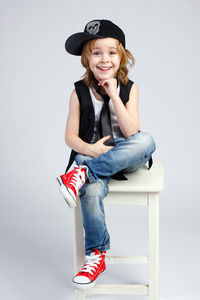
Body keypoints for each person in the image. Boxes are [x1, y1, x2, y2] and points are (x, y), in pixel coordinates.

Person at [57, 19, 156, 290]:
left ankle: (81, 174)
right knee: (89, 191)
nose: (104, 59)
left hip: (123, 156)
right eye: (96, 52)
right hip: (91, 153)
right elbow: (70, 137)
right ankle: (96, 255)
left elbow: (132, 130)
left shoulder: (129, 88)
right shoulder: (78, 92)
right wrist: (90, 150)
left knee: (146, 140)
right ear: (87, 58)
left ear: (121, 56)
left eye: (111, 52)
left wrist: (114, 94)